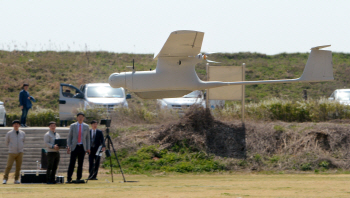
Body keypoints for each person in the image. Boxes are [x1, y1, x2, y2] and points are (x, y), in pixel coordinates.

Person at [66, 112, 90, 183]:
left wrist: (88, 148)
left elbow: (88, 138)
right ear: (77, 118)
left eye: (82, 117)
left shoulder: (86, 126)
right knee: (72, 163)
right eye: (79, 117)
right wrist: (68, 146)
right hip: (74, 146)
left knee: (80, 164)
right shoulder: (73, 125)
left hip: (82, 147)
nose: (80, 118)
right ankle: (68, 178)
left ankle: (78, 178)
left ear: (83, 118)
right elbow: (69, 137)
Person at [3, 120, 25, 184]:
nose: (16, 125)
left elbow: (23, 141)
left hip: (20, 152)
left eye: (17, 124)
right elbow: (6, 142)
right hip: (12, 152)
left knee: (18, 167)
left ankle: (16, 179)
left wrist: (21, 147)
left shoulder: (22, 133)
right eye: (15, 124)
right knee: (8, 166)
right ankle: (5, 179)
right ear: (13, 125)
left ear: (19, 125)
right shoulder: (9, 133)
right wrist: (11, 147)